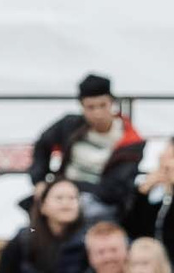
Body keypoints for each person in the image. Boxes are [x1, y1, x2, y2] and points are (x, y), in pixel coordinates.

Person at [25, 73, 144, 215]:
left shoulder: (130, 141)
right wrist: (39, 180)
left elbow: (114, 190)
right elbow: (42, 144)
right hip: (64, 191)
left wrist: (68, 186)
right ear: (82, 106)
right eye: (91, 107)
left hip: (100, 200)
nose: (98, 113)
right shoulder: (70, 125)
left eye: (102, 105)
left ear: (112, 103)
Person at [121, 134, 174, 263]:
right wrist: (142, 193)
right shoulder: (149, 190)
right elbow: (130, 226)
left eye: (168, 152)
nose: (160, 156)